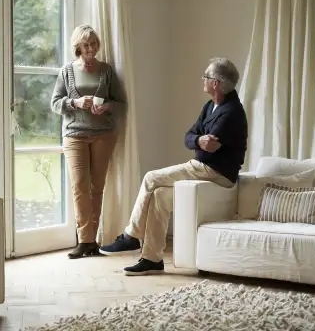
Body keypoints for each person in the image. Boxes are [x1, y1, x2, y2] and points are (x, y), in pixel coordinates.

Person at [98, 57, 248, 275]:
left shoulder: (232, 112)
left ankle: (131, 236)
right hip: (203, 166)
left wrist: (198, 143)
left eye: (206, 76)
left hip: (215, 172)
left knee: (151, 178)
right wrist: (198, 140)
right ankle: (152, 258)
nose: (202, 79)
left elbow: (208, 150)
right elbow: (189, 137)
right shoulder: (210, 107)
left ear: (215, 83)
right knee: (159, 196)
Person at [50, 25, 126, 259]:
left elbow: (121, 104)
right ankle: (85, 240)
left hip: (103, 134)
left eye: (94, 43)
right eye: (86, 45)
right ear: (78, 47)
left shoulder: (106, 70)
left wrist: (107, 106)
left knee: (96, 187)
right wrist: (75, 103)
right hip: (74, 134)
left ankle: (91, 242)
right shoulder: (67, 71)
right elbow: (55, 103)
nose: (91, 48)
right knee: (79, 186)